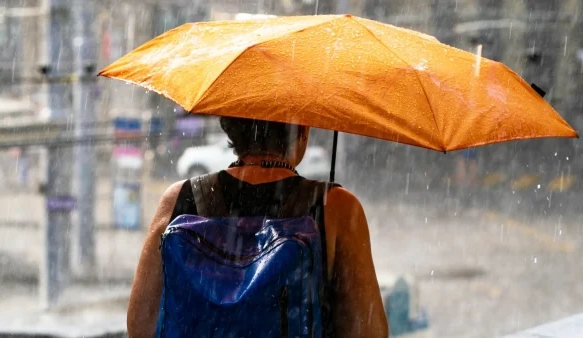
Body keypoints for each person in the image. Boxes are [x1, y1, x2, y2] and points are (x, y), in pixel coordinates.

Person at [127, 117, 388, 338]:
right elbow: (369, 332)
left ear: (229, 126)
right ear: (303, 131)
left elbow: (140, 325)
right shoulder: (337, 207)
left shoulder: (180, 198)